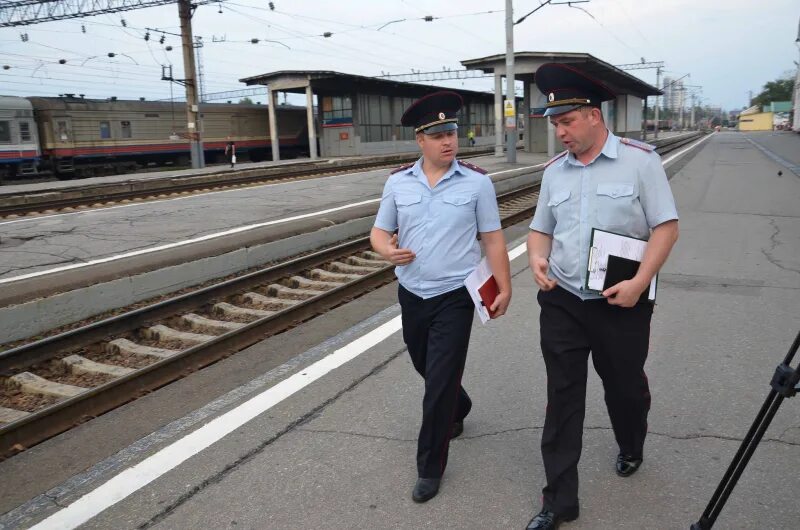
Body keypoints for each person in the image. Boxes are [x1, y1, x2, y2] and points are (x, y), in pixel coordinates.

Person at [524, 63, 679, 530]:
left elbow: (665, 228)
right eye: (554, 124)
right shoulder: (555, 172)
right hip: (564, 301)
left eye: (567, 121)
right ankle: (559, 502)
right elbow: (539, 229)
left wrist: (639, 283)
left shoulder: (640, 161)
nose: (560, 133)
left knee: (624, 387)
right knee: (563, 397)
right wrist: (536, 259)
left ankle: (631, 442)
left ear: (593, 115)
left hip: (621, 300)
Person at [370, 91, 512, 503]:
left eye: (452, 132)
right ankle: (459, 404)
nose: (448, 141)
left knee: (437, 387)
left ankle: (429, 467)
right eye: (438, 135)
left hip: (456, 294)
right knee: (424, 364)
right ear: (420, 140)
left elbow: (492, 238)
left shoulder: (477, 183)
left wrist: (504, 286)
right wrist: (386, 250)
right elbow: (379, 232)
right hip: (412, 292)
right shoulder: (398, 182)